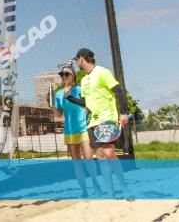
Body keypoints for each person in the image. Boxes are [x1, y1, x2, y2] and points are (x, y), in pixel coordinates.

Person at [72, 48, 130, 196]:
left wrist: (123, 113)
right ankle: (111, 192)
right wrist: (69, 98)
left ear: (81, 59)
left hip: (106, 118)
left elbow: (118, 91)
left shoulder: (102, 72)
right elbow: (86, 101)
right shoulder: (84, 80)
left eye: (76, 59)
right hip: (91, 122)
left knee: (109, 152)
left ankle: (124, 187)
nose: (77, 62)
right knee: (100, 156)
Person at [54, 65, 101, 197]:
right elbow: (58, 114)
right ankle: (84, 190)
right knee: (76, 163)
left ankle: (96, 186)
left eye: (67, 74)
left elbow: (89, 104)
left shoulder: (80, 90)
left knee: (88, 159)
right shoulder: (58, 94)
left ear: (73, 75)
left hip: (83, 129)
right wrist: (53, 106)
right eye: (62, 75)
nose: (64, 77)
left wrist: (88, 109)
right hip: (69, 131)